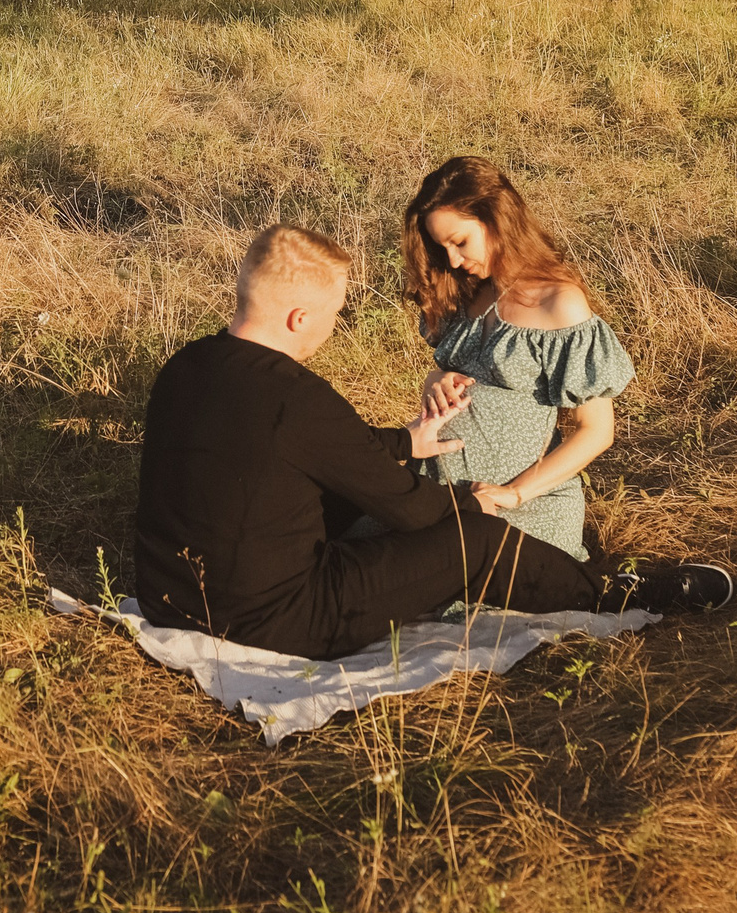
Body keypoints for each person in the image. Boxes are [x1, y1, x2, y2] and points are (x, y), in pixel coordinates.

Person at [135, 223, 674, 662]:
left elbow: (327, 448)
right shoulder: (297, 398)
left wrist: (404, 442)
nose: (335, 323)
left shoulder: (185, 367)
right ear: (300, 317)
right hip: (281, 620)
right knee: (475, 541)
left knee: (327, 493)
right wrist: (473, 504)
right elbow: (410, 510)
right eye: (336, 312)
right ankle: (616, 595)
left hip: (173, 597)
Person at [403, 156, 735, 610]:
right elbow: (457, 377)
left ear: (496, 219)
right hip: (436, 488)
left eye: (459, 242)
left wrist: (515, 492)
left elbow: (597, 430)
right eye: (443, 249)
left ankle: (637, 590)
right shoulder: (466, 293)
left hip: (516, 503)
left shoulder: (559, 304)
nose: (453, 260)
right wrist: (434, 378)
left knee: (449, 587)